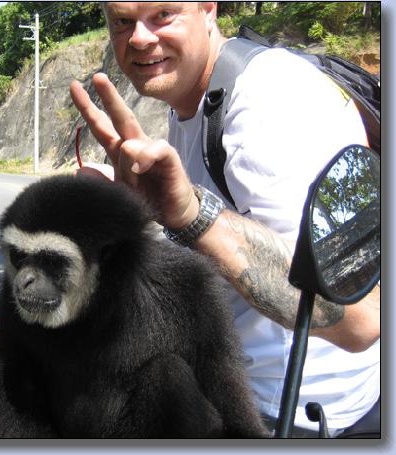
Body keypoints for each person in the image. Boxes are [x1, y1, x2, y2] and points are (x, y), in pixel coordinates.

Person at [69, 2, 379, 437]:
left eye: (163, 14)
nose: (139, 37)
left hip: (289, 414)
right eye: (122, 22)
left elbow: (361, 316)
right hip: (239, 381)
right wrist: (145, 210)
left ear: (208, 8)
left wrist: (192, 215)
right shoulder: (195, 98)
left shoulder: (267, 102)